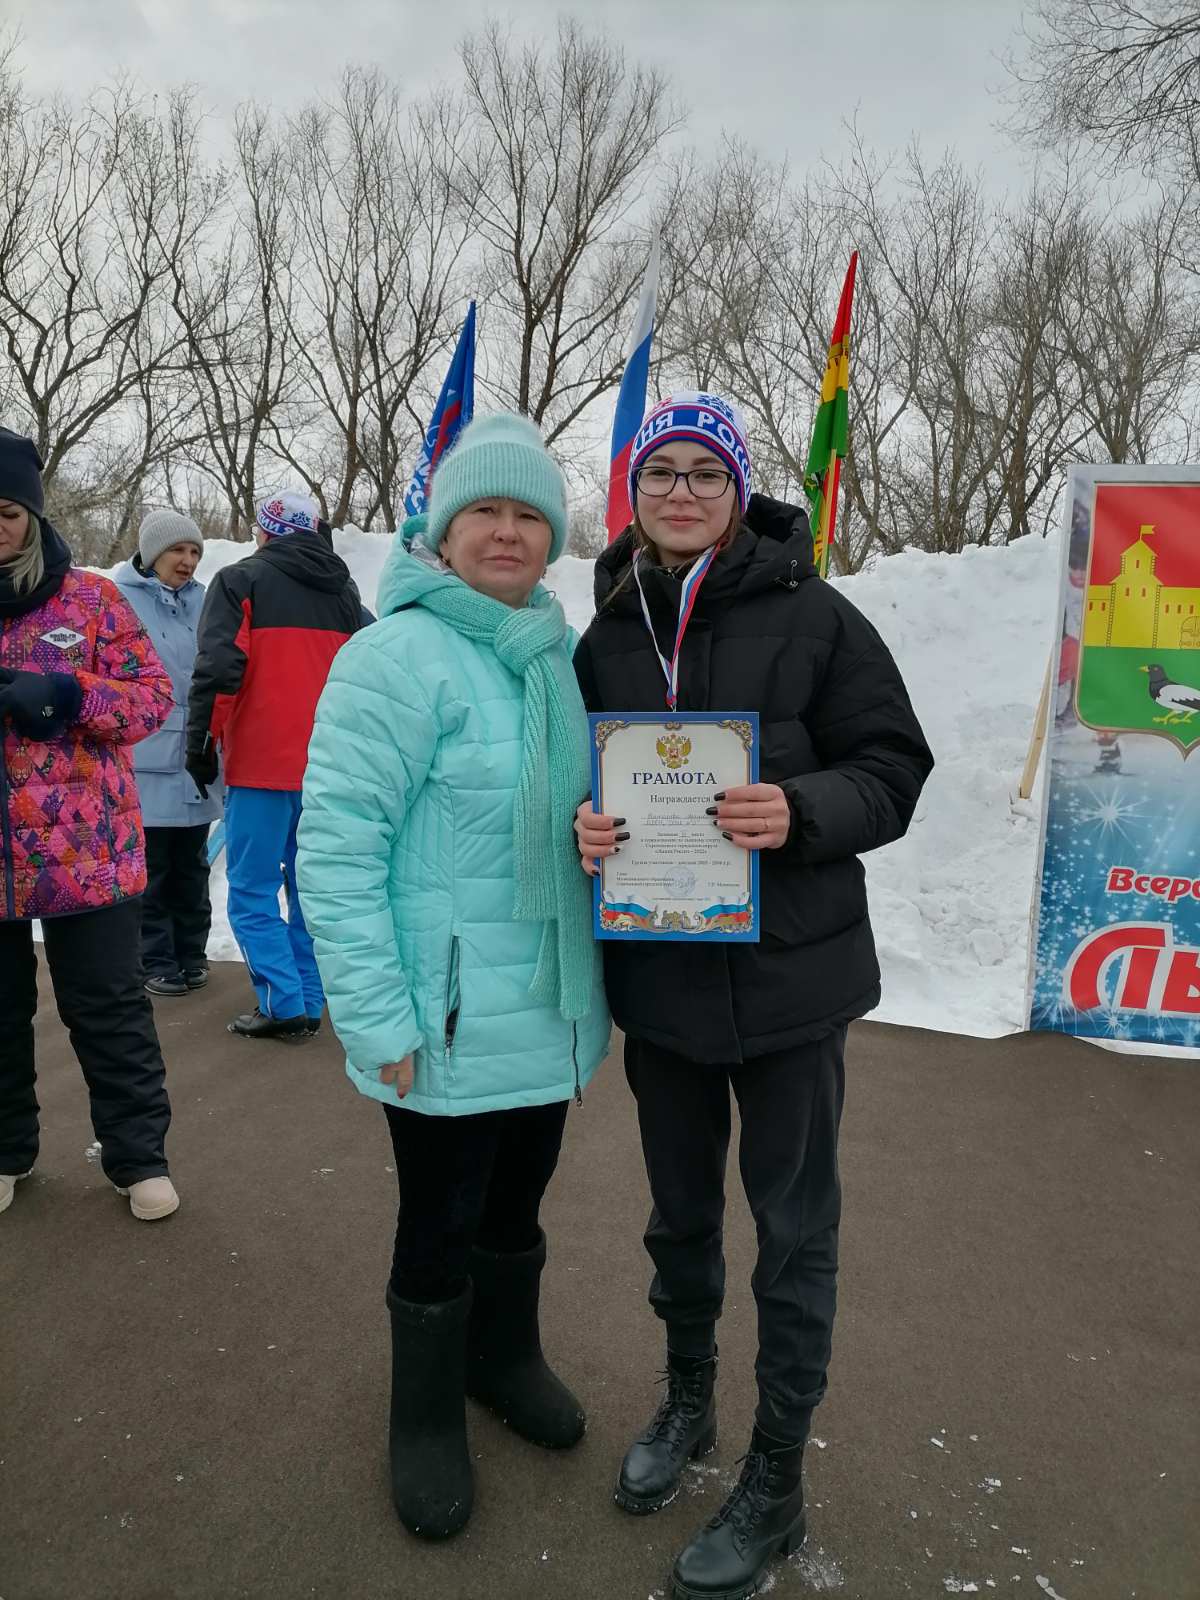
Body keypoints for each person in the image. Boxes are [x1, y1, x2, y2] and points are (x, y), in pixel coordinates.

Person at [573, 392, 933, 1600]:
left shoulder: (818, 615)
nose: (681, 492)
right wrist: (584, 826)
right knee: (679, 1217)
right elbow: (577, 776)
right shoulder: (605, 631)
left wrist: (802, 808)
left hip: (791, 984)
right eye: (661, 473)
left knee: (792, 1233)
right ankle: (689, 1402)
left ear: (738, 492)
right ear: (634, 495)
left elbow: (894, 767)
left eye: (705, 473)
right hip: (663, 977)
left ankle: (777, 1473)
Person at [296, 413, 610, 1541]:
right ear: (443, 528)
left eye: (530, 514)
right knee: (438, 1221)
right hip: (447, 1016)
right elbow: (338, 852)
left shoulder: (554, 656)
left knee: (518, 1205)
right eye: (486, 511)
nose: (508, 532)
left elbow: (567, 813)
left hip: (550, 1004)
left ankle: (502, 1359)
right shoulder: (393, 657)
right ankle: (425, 1414)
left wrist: (598, 836)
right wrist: (376, 1017)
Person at [0, 428, 180, 1222]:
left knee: (107, 1008)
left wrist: (71, 695)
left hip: (87, 851)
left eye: (7, 512)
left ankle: (138, 1159)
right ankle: (6, 1152)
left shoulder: (92, 600)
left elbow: (152, 698)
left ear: (32, 516)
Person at [186, 491, 366, 1041]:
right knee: (310, 890)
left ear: (264, 533)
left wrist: (201, 743)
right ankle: (308, 999)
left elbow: (220, 668)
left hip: (261, 767)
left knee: (251, 889)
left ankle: (282, 1002)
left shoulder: (240, 581)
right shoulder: (344, 591)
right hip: (328, 770)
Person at [114, 511, 221, 997]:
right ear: (153, 552)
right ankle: (155, 959)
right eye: (178, 550)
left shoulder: (205, 600)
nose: (188, 560)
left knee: (192, 864)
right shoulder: (119, 599)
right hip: (147, 755)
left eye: (195, 551)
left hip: (198, 752)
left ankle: (191, 954)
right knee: (153, 867)